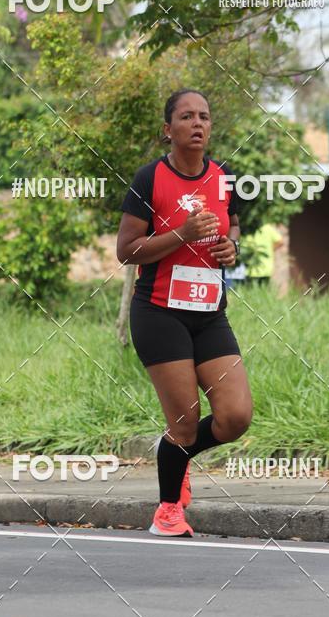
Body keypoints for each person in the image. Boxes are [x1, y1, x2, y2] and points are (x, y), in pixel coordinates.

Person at [116, 88, 253, 537]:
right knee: (185, 422)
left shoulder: (223, 176)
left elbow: (230, 225)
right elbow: (128, 251)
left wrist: (231, 247)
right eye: (187, 117)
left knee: (236, 416)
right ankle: (168, 511)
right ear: (168, 129)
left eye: (205, 117)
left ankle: (179, 454)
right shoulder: (149, 178)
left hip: (209, 312)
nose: (198, 124)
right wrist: (181, 232)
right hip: (159, 313)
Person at [244, 222, 283, 286]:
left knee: (250, 293)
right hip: (264, 269)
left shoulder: (248, 230)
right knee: (263, 291)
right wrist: (271, 249)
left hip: (252, 270)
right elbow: (280, 241)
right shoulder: (268, 228)